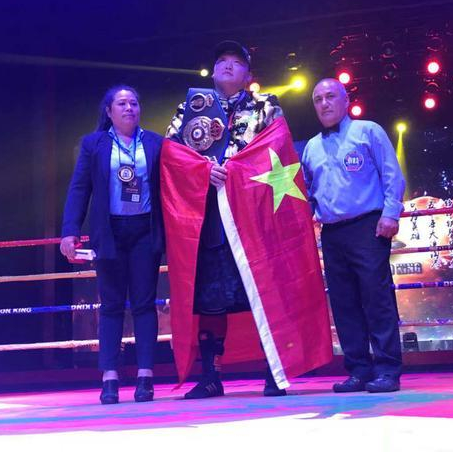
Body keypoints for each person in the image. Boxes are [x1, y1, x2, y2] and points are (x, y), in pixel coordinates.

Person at [165, 40, 285, 399]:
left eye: (236, 61)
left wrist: (237, 173)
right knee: (211, 298)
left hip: (254, 218)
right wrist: (203, 171)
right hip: (210, 218)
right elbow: (172, 154)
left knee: (262, 293)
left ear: (248, 74)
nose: (227, 65)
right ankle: (210, 377)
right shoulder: (191, 107)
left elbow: (278, 152)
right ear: (212, 71)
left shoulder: (266, 106)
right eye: (221, 60)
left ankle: (274, 372)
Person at [60, 85, 164, 404]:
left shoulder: (155, 142)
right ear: (109, 111)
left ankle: (146, 376)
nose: (129, 108)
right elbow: (80, 188)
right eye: (122, 103)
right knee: (111, 305)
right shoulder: (94, 144)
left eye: (134, 103)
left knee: (144, 303)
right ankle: (109, 378)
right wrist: (70, 230)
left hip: (145, 230)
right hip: (109, 233)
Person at [302, 78, 405, 393]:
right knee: (344, 303)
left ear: (346, 101)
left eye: (330, 96)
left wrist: (391, 213)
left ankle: (387, 370)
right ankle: (359, 370)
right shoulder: (311, 147)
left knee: (377, 299)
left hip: (367, 227)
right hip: (331, 232)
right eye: (318, 99)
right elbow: (307, 193)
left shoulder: (368, 131)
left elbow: (392, 174)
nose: (324, 104)